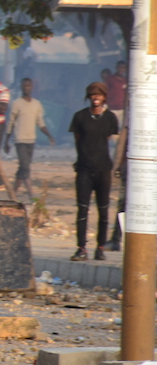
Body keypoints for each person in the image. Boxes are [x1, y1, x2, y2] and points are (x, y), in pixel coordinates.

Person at [68, 81, 119, 262]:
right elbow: (78, 140)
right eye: (92, 94)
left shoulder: (110, 118)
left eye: (99, 94)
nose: (96, 98)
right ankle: (81, 248)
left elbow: (108, 139)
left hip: (103, 169)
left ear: (105, 97)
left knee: (103, 212)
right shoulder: (79, 117)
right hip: (83, 169)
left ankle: (100, 248)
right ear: (88, 97)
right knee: (82, 211)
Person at [3, 77, 54, 199]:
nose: (26, 88)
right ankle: (30, 193)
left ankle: (13, 193)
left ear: (32, 87)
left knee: (23, 166)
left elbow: (40, 123)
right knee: (25, 166)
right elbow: (11, 123)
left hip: (31, 140)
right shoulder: (16, 103)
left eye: (28, 86)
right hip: (20, 140)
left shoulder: (37, 104)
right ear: (21, 87)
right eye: (24, 86)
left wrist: (49, 136)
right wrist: (6, 141)